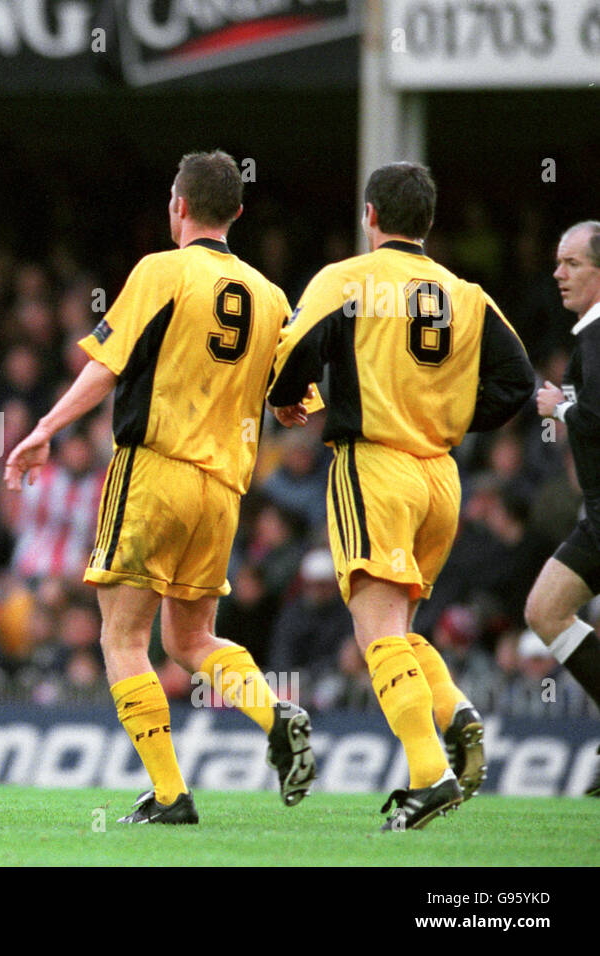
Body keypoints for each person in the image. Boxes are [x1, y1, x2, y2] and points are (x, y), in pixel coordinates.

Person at [6, 151, 315, 825]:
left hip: (155, 471)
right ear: (236, 212)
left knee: (122, 639)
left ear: (178, 206)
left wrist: (46, 427)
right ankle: (273, 709)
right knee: (191, 640)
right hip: (224, 490)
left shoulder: (161, 271)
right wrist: (285, 405)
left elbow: (105, 367)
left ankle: (170, 794)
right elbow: (295, 400)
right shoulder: (269, 295)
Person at [268, 162, 535, 830]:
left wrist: (286, 399)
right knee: (401, 631)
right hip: (441, 477)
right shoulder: (465, 294)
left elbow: (294, 348)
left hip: (376, 466)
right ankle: (454, 712)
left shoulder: (346, 278)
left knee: (376, 634)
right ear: (430, 222)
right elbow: (519, 382)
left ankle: (428, 775)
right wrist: (444, 416)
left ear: (370, 216)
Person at [526, 220, 600, 797]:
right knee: (545, 611)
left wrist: (561, 409)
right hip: (597, 520)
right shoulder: (589, 338)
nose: (559, 273)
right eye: (558, 262)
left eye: (572, 263)